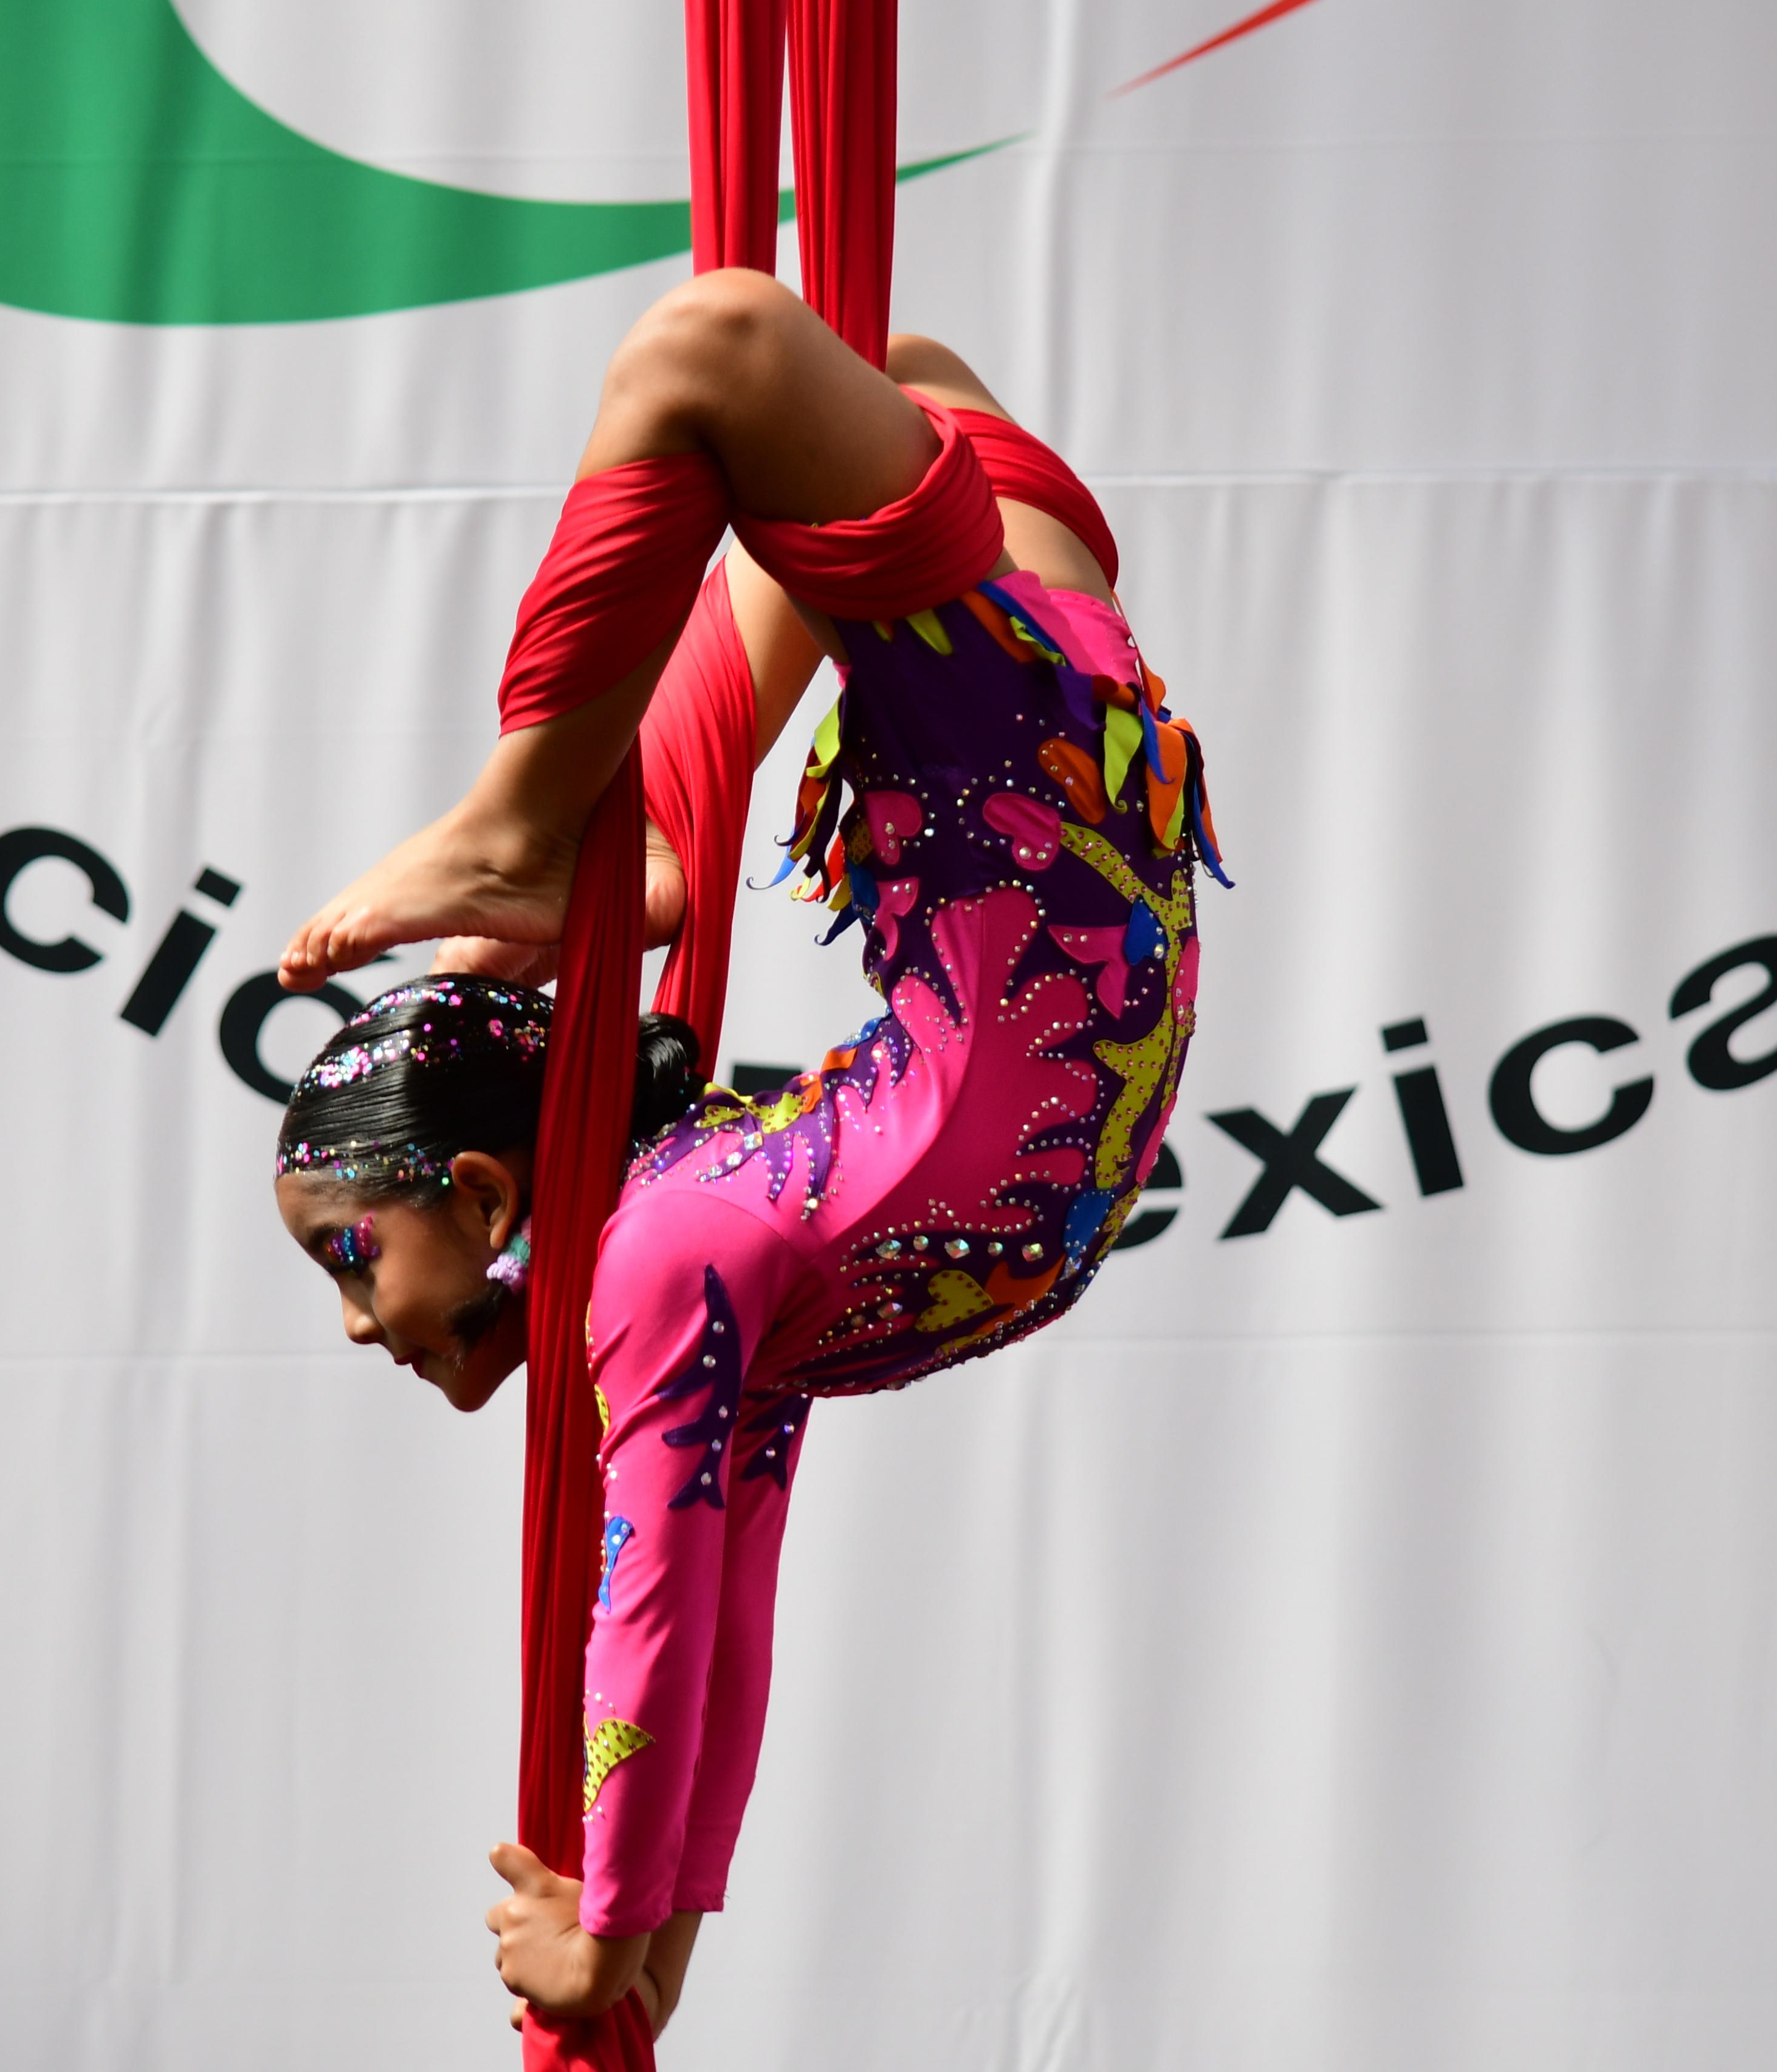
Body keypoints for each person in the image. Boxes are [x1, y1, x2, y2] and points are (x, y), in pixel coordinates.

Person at [271, 268, 1215, 2044]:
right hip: (1032, 764)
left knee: (795, 357)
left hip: (1048, 772)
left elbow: (671, 1621)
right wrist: (632, 1962)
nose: (349, 1318)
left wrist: (628, 1938)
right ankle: (576, 842)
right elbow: (705, 1626)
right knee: (761, 362)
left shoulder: (679, 1250)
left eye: (348, 1253)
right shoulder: (700, 1237)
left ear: (481, 1195)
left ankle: (543, 837)